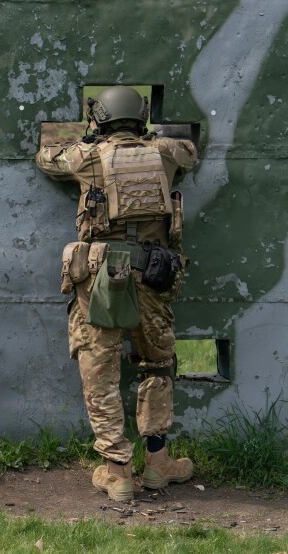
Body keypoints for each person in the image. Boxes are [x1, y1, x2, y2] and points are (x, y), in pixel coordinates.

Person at [35, 85, 198, 501]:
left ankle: (117, 471)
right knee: (157, 364)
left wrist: (87, 137)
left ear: (100, 118)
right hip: (153, 272)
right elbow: (190, 153)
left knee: (100, 369)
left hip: (102, 274)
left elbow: (45, 158)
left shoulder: (86, 157)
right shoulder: (165, 152)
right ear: (140, 117)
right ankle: (158, 463)